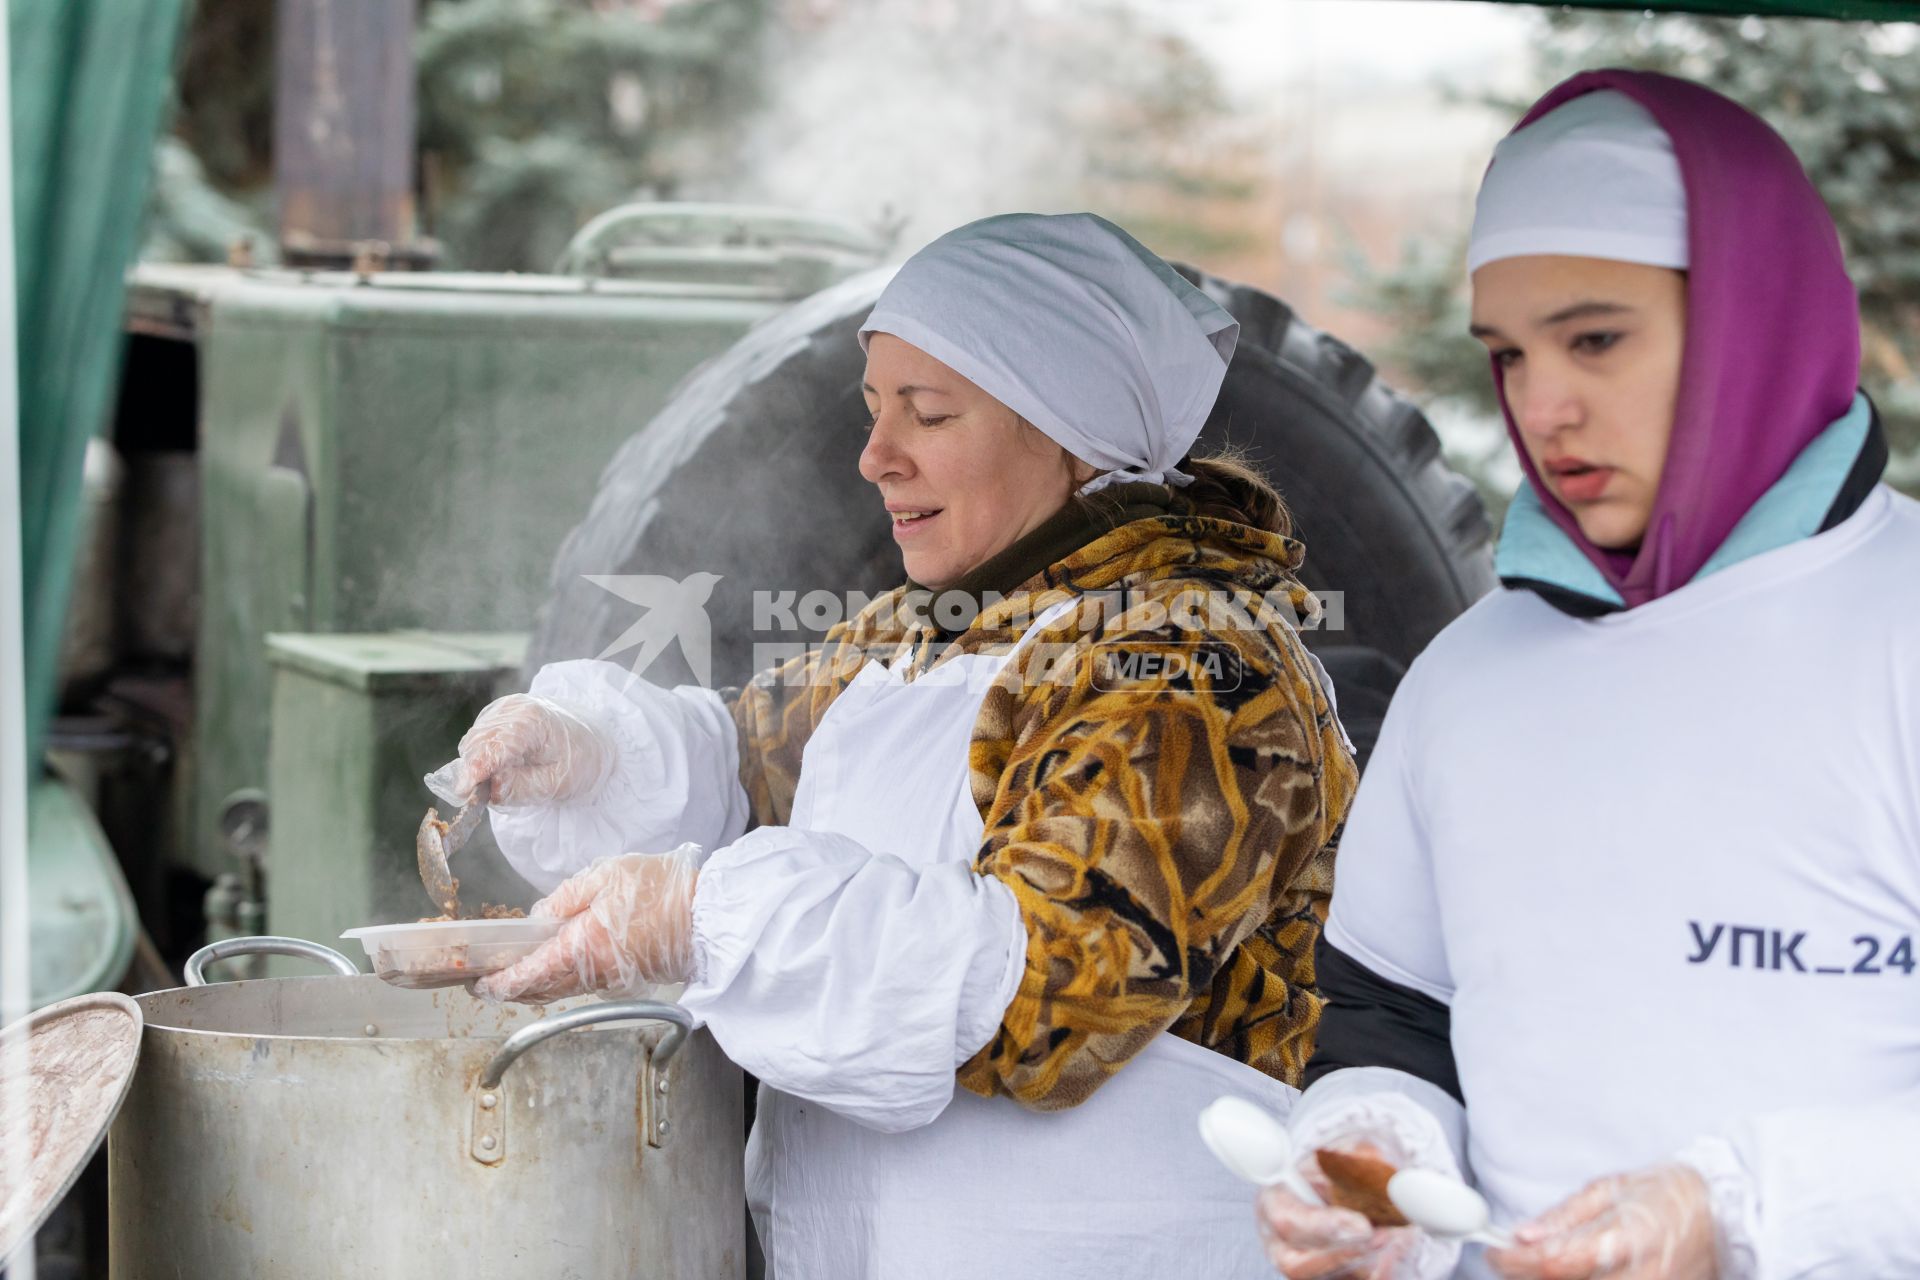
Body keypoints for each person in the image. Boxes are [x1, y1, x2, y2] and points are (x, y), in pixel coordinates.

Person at [430, 213, 1358, 1278]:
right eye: (875, 410)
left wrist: (703, 915)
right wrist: (593, 754)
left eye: (929, 413)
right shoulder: (927, 632)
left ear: (1069, 432)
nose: (876, 457)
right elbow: (748, 765)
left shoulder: (1195, 669)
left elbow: (1052, 993)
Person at [1254, 70, 1920, 1280]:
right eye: (1507, 352)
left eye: (1596, 337)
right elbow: (1391, 1014)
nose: (1541, 405)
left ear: (1752, 315)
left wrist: (1742, 1207)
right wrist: (1372, 1156)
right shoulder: (1471, 673)